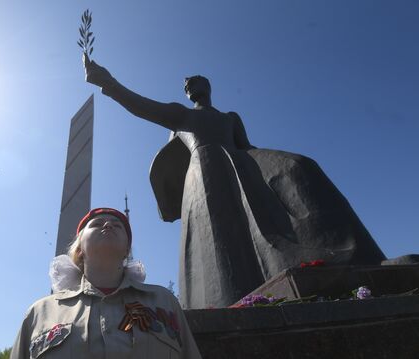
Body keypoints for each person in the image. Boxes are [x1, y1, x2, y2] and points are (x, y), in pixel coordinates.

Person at [83, 55, 387, 309]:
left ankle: (361, 256)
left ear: (207, 87)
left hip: (241, 164)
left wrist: (287, 161)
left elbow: (248, 148)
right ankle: (232, 299)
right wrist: (107, 82)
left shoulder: (230, 117)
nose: (189, 86)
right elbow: (141, 105)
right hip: (205, 176)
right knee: (223, 237)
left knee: (302, 166)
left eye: (194, 82)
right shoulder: (181, 115)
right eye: (186, 85)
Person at [10, 207, 202, 359]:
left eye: (117, 225)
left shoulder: (165, 301)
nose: (108, 225)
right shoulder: (39, 312)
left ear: (127, 250)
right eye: (97, 223)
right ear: (79, 250)